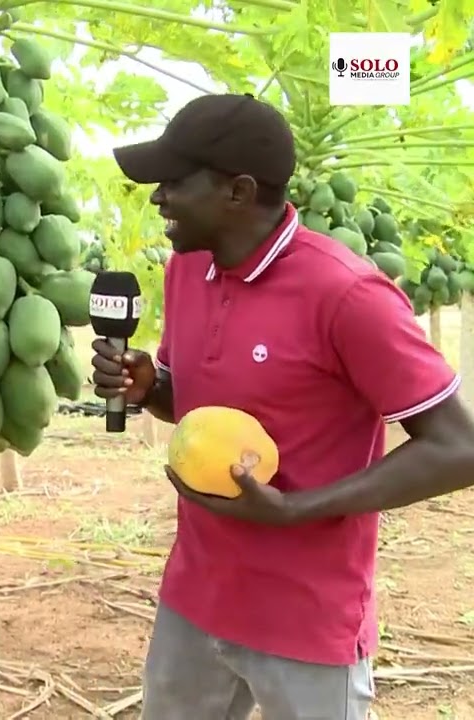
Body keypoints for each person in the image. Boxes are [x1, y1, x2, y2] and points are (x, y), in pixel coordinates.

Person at [92, 92, 474, 720]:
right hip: (196, 593)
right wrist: (150, 387)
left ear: (238, 193)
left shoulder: (347, 294)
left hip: (306, 615)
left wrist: (296, 510)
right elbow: (194, 401)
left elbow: (457, 447)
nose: (157, 197)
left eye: (173, 182)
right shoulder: (188, 270)